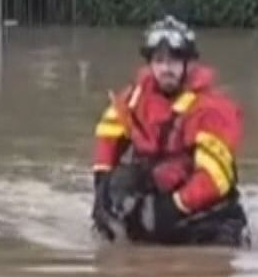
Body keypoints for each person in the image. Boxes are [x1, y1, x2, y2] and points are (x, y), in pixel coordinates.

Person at [90, 16, 249, 247]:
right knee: (116, 190)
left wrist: (174, 206)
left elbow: (214, 177)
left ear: (188, 64)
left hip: (200, 209)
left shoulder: (211, 109)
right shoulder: (136, 97)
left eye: (174, 61)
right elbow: (109, 132)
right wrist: (101, 185)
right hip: (156, 194)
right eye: (159, 61)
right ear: (150, 64)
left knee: (217, 250)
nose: (166, 69)